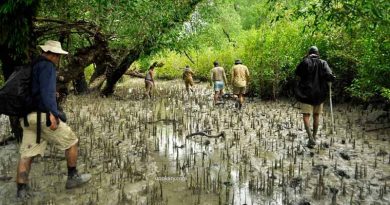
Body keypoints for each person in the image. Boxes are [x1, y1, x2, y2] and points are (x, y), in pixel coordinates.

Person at [16, 40, 91, 199]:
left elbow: (36, 92)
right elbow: (47, 93)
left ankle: (21, 190)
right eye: (58, 56)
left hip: (27, 119)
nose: (58, 60)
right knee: (72, 141)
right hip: (42, 117)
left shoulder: (32, 66)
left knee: (27, 153)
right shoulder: (47, 66)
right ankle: (73, 178)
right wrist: (53, 113)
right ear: (52, 54)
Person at [295, 46, 335, 148]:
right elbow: (330, 75)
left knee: (306, 116)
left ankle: (310, 138)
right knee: (316, 115)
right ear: (318, 53)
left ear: (309, 53)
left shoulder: (305, 62)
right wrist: (330, 79)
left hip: (306, 94)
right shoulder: (323, 63)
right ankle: (314, 136)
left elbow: (297, 74)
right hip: (319, 95)